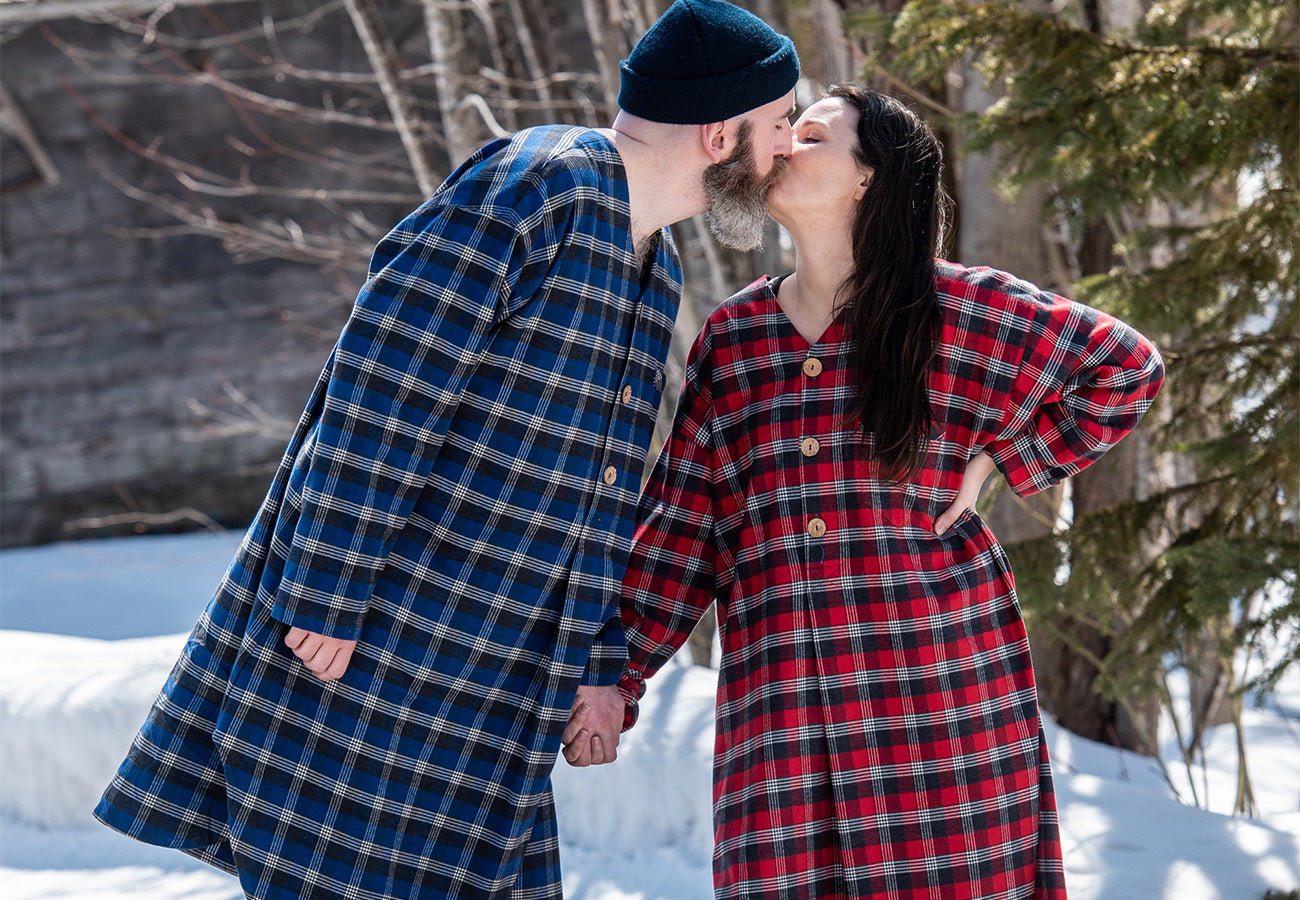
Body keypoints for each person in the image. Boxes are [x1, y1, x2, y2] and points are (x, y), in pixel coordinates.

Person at [93, 2, 798, 897]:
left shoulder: (656, 268)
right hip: (376, 647)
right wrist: (327, 590)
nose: (783, 149)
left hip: (491, 692)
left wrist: (595, 664)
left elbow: (597, 499)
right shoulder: (538, 181)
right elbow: (382, 384)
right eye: (776, 124)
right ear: (717, 132)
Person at [563, 84, 1165, 898]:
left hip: (941, 727)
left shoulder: (959, 309)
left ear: (868, 178)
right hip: (782, 747)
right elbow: (680, 538)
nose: (781, 146)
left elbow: (1126, 368)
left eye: (810, 135)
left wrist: (1002, 462)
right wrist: (612, 679)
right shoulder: (734, 344)